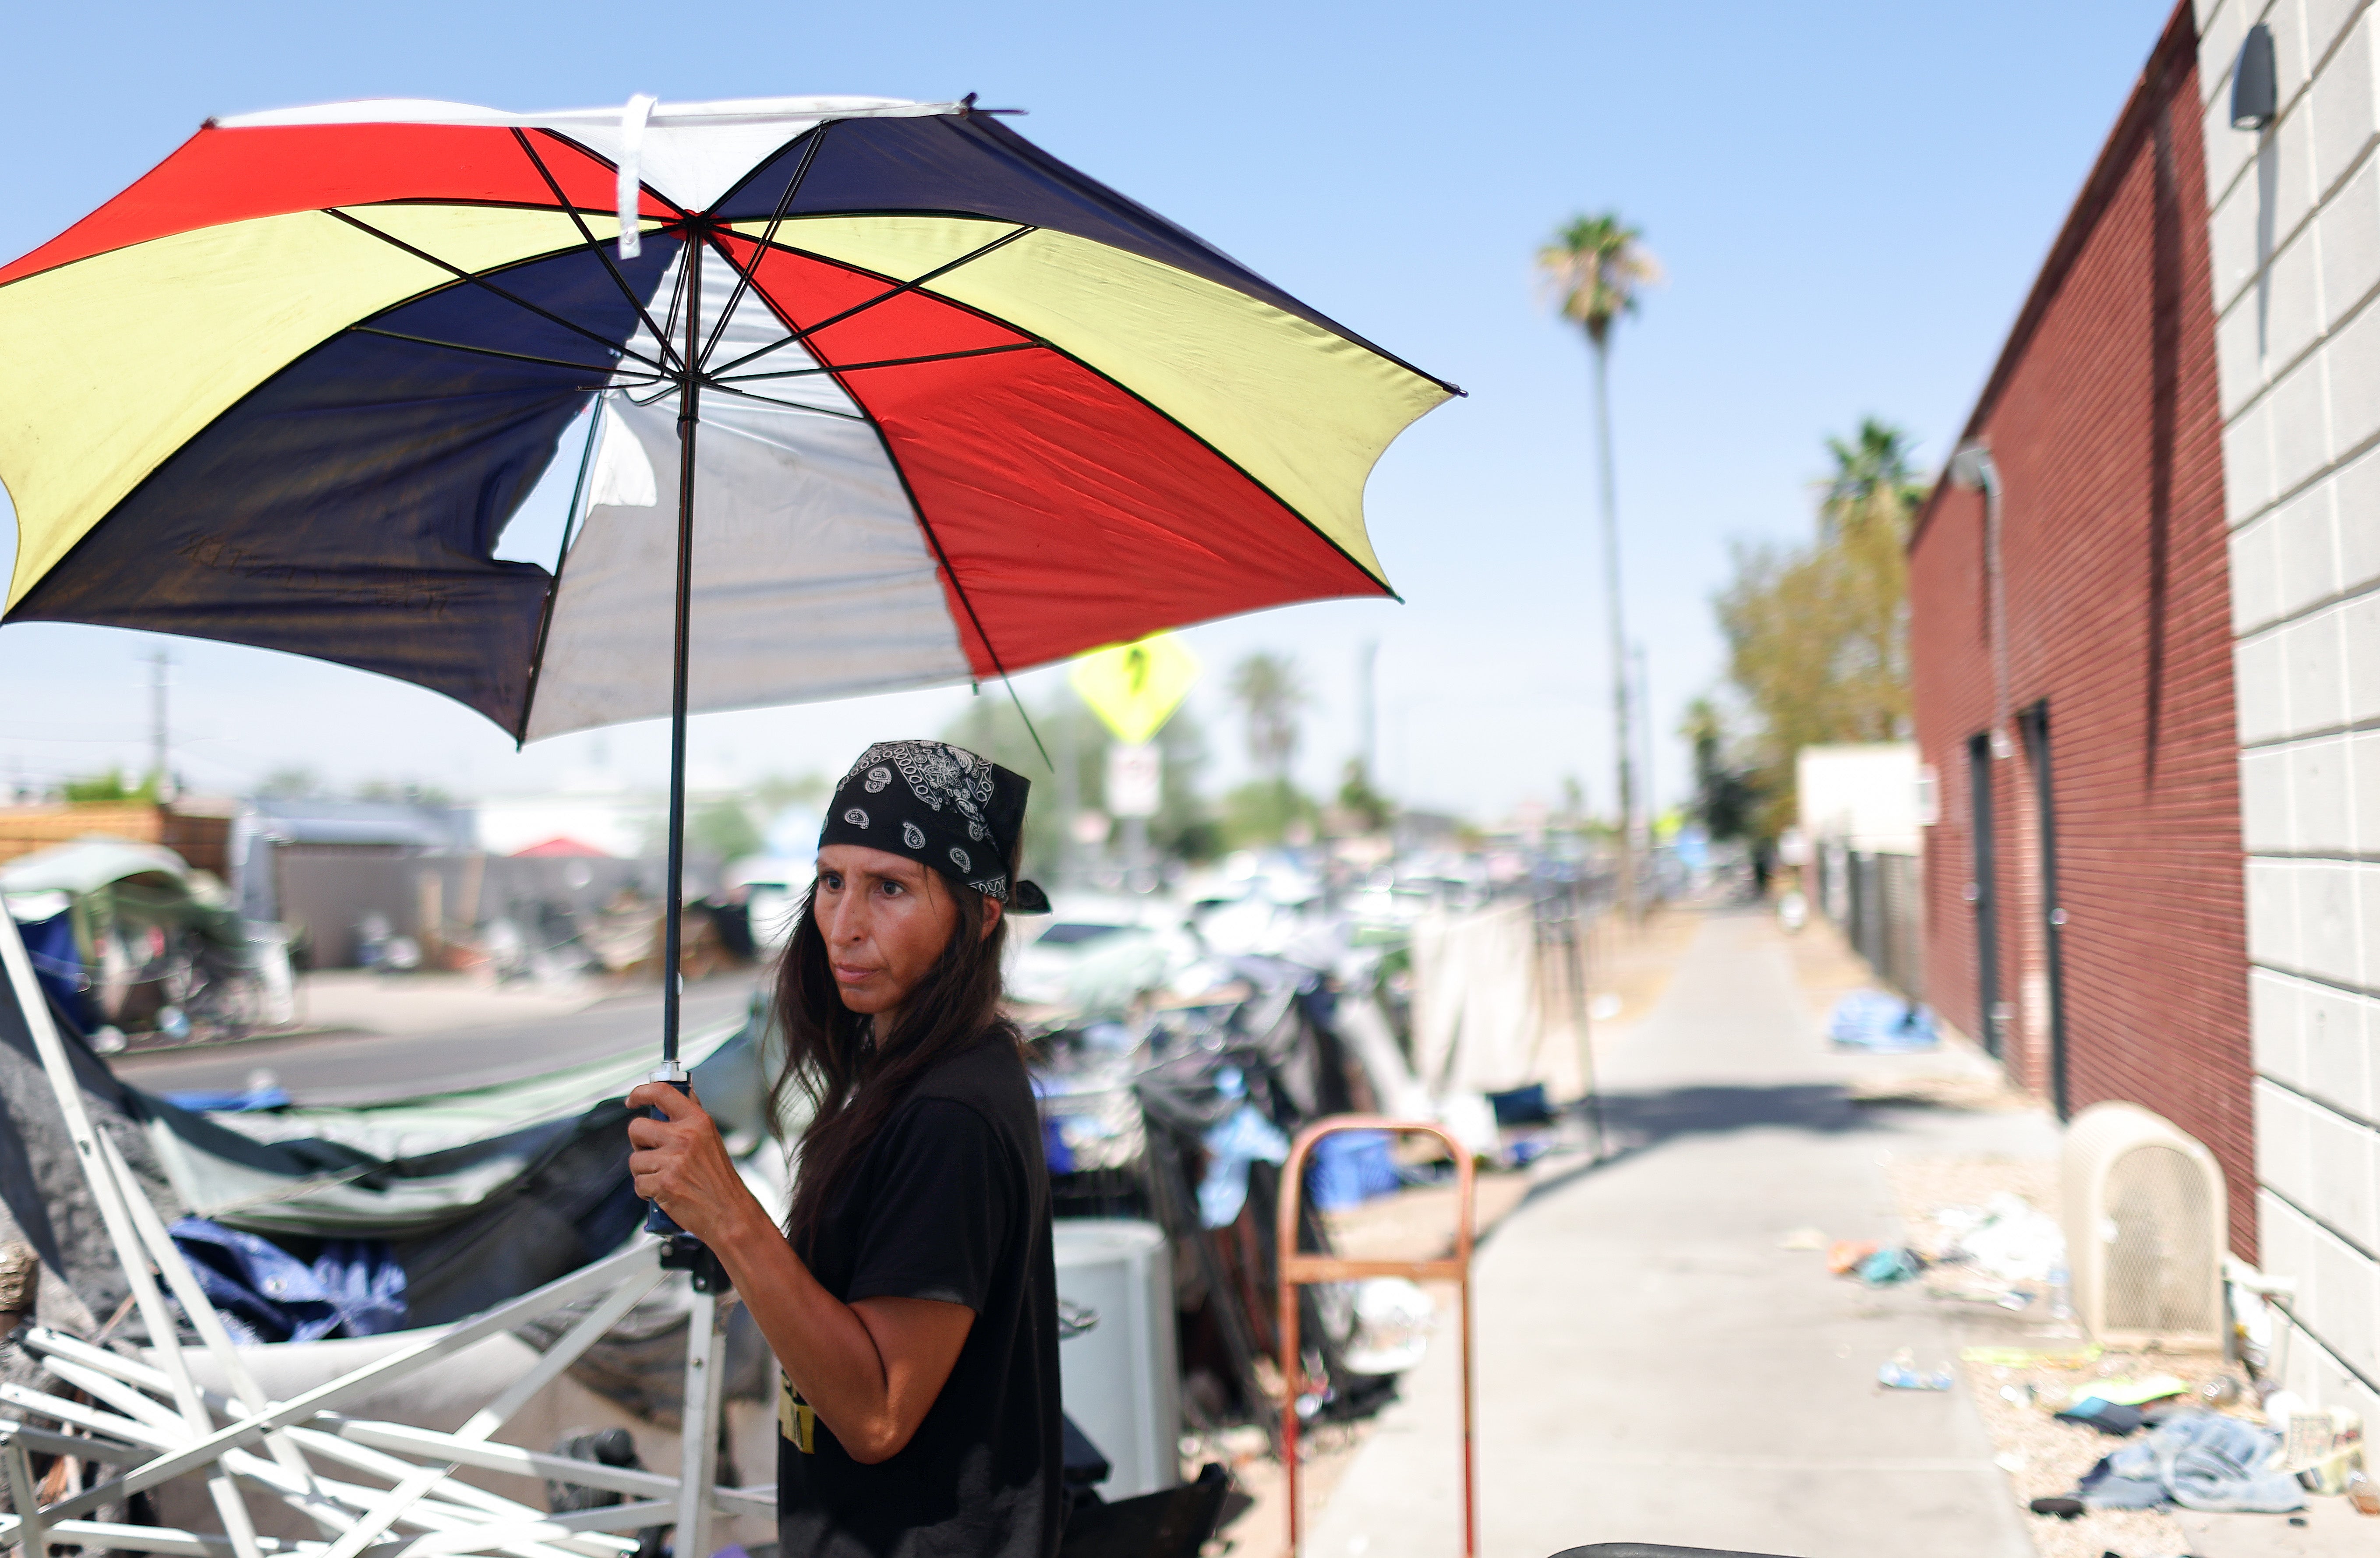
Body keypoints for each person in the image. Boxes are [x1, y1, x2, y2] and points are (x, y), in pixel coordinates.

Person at [627, 740, 1060, 1558]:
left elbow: (876, 1413)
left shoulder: (950, 1113)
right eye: (832, 881)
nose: (845, 924)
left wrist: (729, 1212)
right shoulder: (897, 1075)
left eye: (891, 887)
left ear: (980, 917)